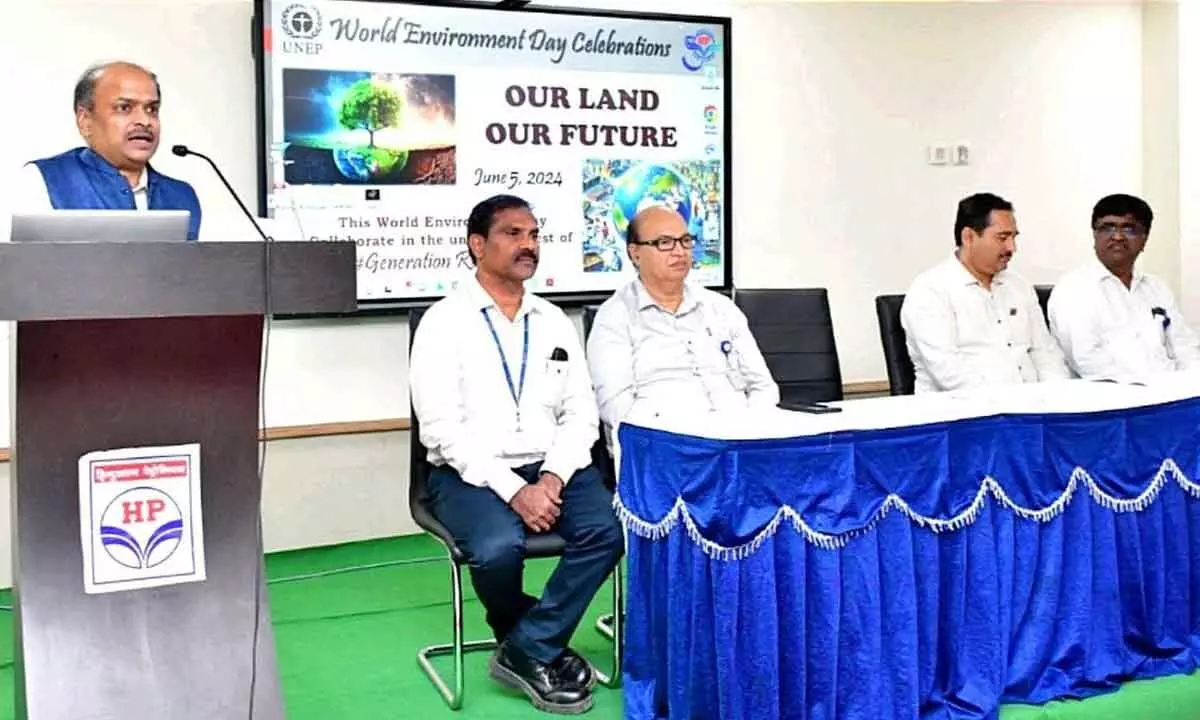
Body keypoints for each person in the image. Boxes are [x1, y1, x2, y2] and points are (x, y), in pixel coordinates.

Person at [409, 194, 623, 715]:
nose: (528, 245)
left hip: (552, 466)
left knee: (607, 532)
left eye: (534, 235)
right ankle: (530, 638)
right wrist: (515, 489)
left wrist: (549, 479)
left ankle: (527, 648)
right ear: (477, 244)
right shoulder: (443, 322)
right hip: (471, 472)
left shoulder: (552, 321)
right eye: (513, 234)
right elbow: (440, 431)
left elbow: (581, 414)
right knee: (497, 546)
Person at [586, 205, 778, 435]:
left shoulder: (721, 309)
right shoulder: (614, 318)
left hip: (740, 443)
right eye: (665, 243)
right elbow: (615, 406)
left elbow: (763, 386)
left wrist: (752, 430)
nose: (680, 252)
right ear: (634, 253)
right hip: (667, 450)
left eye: (685, 241)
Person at [10, 61, 201, 240]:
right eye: (124, 108)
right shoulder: (45, 179)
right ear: (85, 121)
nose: (144, 121)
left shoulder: (181, 196)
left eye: (152, 109)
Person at [900, 192, 1068, 393]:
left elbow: (1045, 353)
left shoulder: (1019, 286)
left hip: (1031, 410)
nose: (1012, 248)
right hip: (964, 413)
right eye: (1002, 238)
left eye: (1014, 237)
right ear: (969, 237)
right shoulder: (930, 291)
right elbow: (948, 370)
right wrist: (1004, 408)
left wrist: (1057, 399)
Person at [1047, 193, 1200, 380]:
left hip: (1170, 393)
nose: (1118, 237)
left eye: (1129, 229)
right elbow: (1087, 361)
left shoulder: (1157, 288)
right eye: (1108, 228)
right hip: (1116, 400)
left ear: (1144, 239)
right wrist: (1146, 392)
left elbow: (1184, 346)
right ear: (1095, 235)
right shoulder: (1073, 289)